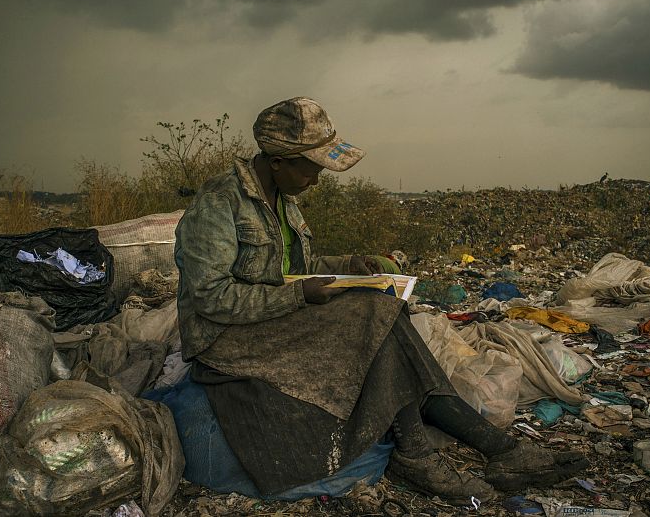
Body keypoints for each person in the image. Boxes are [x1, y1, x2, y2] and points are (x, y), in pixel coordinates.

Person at [174, 97, 587, 504]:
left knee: (383, 311)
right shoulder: (219, 204)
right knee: (374, 317)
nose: (316, 180)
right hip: (225, 338)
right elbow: (211, 298)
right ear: (278, 161)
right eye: (312, 169)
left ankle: (494, 451)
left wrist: (353, 264)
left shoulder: (283, 200)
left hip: (268, 319)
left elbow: (292, 265)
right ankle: (448, 453)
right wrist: (299, 294)